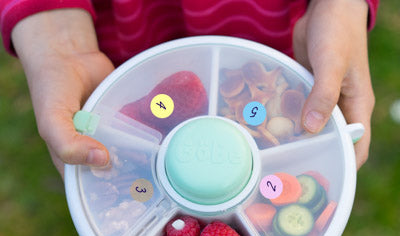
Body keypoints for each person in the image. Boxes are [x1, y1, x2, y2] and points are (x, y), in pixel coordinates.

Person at [1, 0, 378, 177]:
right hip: (127, 42)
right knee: (133, 163)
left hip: (264, 51)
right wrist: (57, 38)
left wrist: (341, 6)